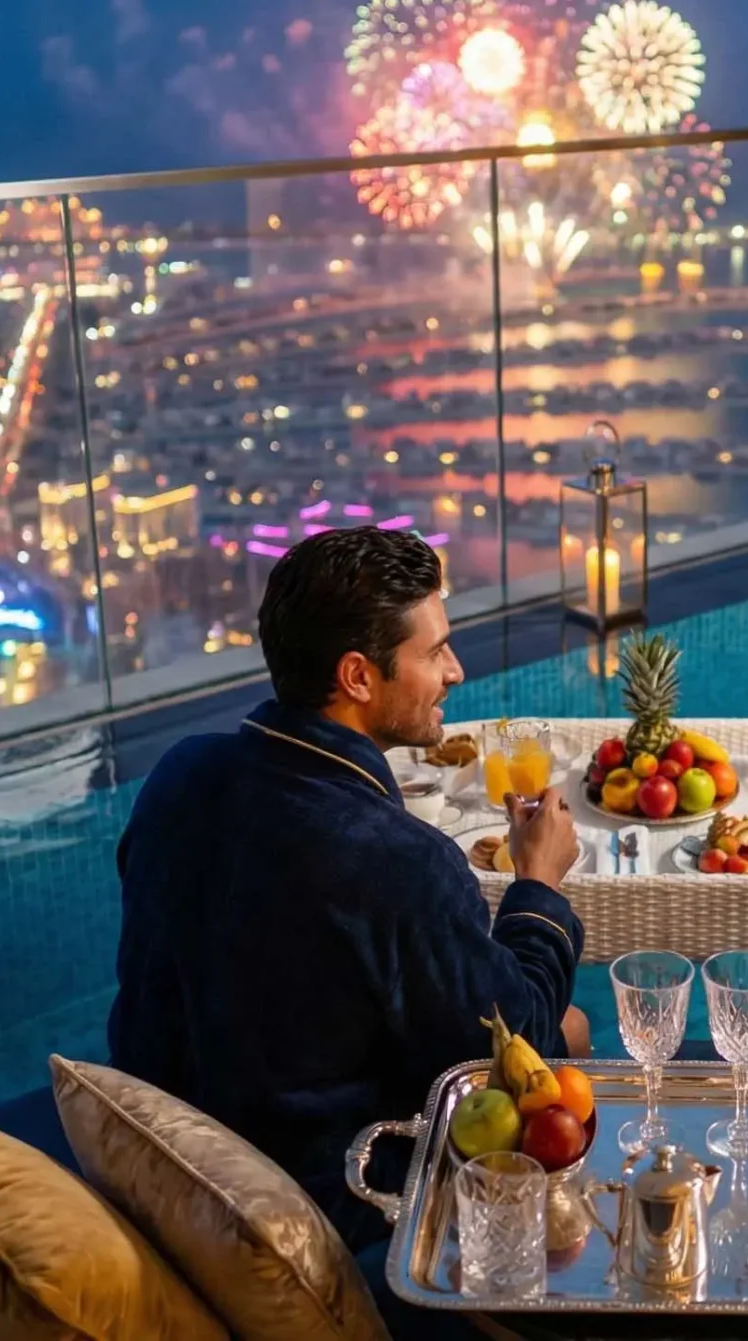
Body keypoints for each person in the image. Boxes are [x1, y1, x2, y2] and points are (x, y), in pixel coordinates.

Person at [108, 526, 590, 1243]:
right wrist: (539, 884)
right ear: (359, 676)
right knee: (571, 1032)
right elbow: (513, 1039)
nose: (455, 670)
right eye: (433, 652)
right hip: (324, 1193)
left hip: (174, 1143)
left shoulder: (180, 774)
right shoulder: (396, 860)